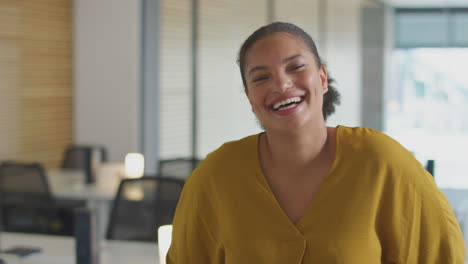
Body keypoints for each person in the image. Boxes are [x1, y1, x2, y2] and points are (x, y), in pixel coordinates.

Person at [167, 22, 465, 263]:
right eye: (260, 78)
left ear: (322, 78)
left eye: (295, 67)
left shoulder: (382, 162)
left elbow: (439, 255)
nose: (281, 84)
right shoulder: (217, 175)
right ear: (250, 99)